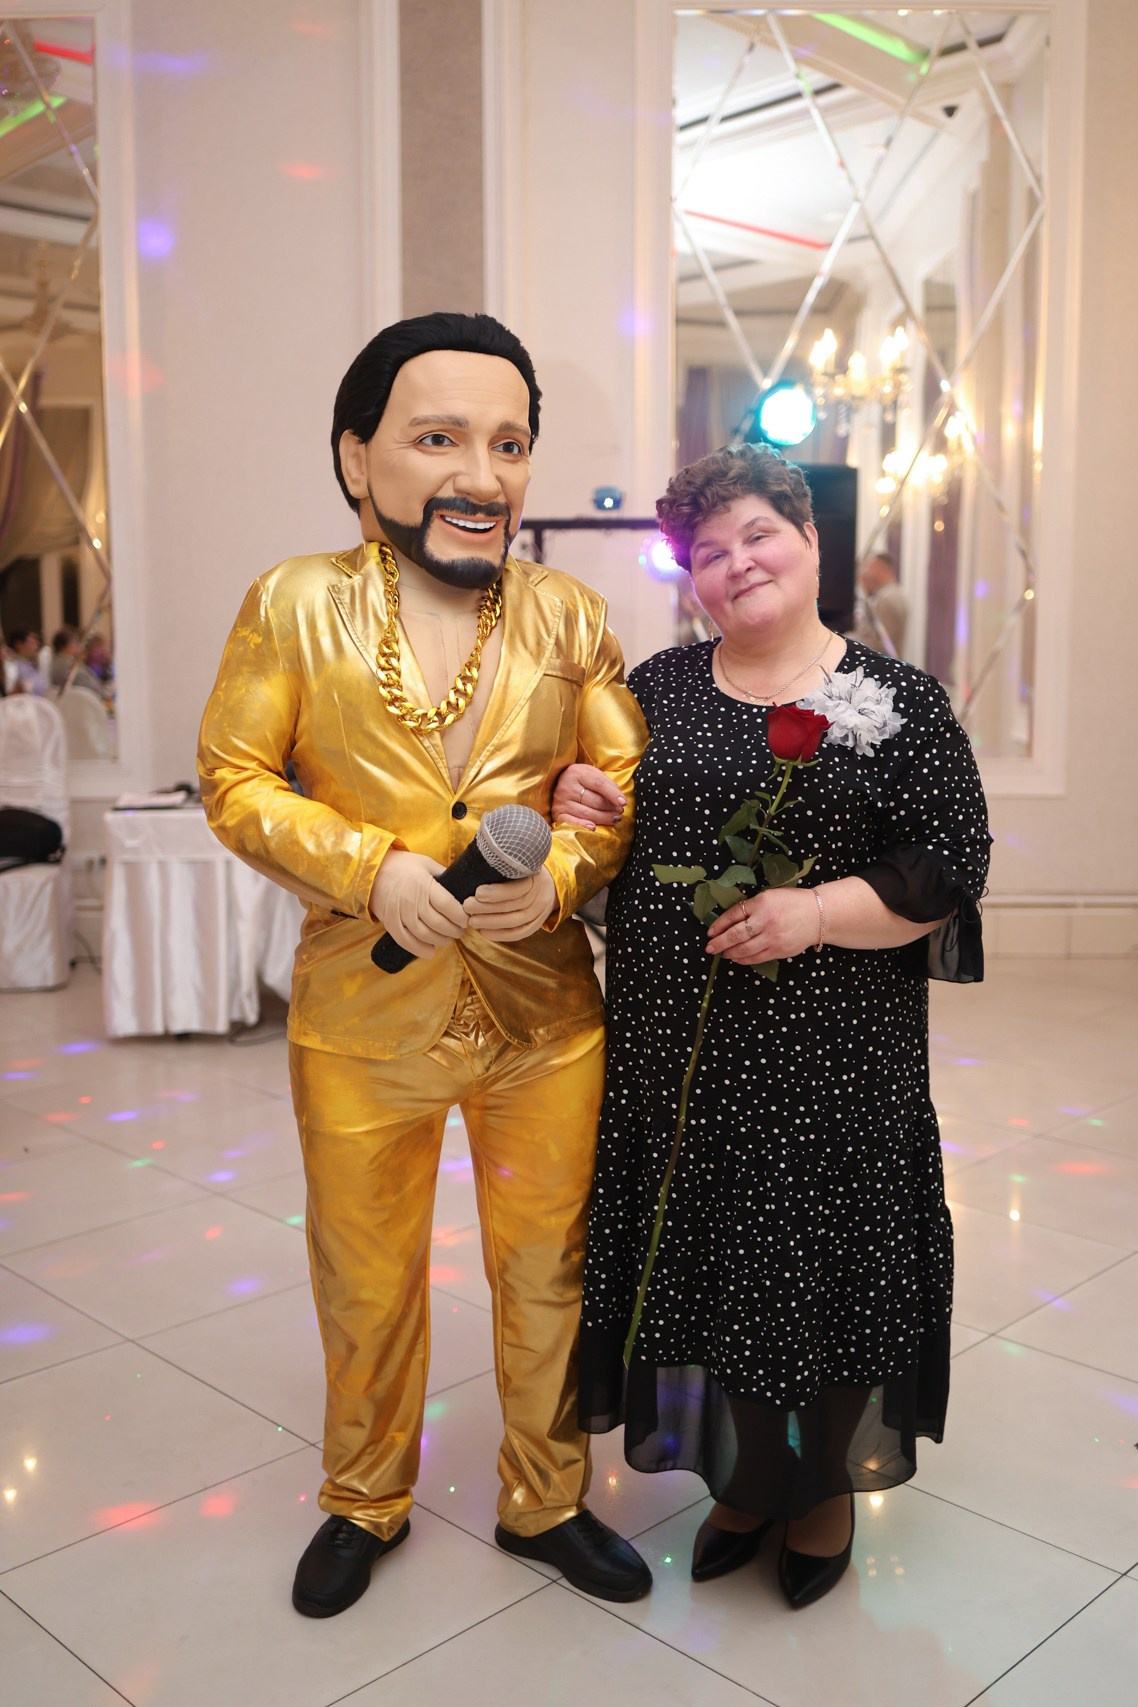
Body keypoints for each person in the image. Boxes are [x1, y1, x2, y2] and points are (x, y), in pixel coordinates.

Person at [197, 312, 651, 1618]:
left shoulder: (568, 613)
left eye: (508, 443)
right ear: (357, 457)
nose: (482, 473)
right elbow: (233, 777)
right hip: (361, 1009)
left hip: (543, 1013)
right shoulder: (292, 603)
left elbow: (618, 783)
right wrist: (364, 866)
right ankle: (362, 1497)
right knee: (364, 1273)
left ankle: (545, 1497)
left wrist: (561, 877)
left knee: (549, 1267)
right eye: (440, 437)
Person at [555, 443, 989, 1609]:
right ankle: (747, 1483)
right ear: (690, 578)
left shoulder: (897, 704)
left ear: (808, 542)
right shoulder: (653, 691)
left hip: (833, 1060)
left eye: (757, 535)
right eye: (708, 552)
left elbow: (947, 864)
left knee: (822, 1265)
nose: (736, 563)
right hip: (680, 1055)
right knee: (710, 1265)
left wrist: (816, 911)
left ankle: (823, 1489)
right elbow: (607, 835)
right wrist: (575, 797)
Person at [851, 549, 908, 657]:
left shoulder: (886, 599)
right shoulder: (891, 593)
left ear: (880, 568)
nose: (866, 573)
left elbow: (878, 644)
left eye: (869, 567)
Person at [5, 627, 47, 695]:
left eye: (37, 643)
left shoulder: (32, 665)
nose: (37, 646)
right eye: (32, 643)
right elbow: (9, 695)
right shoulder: (12, 667)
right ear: (19, 645)